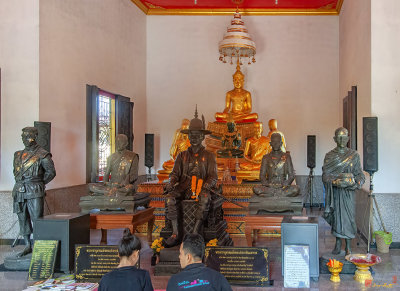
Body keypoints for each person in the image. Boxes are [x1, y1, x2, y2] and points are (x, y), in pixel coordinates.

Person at [164, 107, 218, 246]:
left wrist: (206, 186)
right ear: (188, 136)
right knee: (170, 198)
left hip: (202, 188)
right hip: (184, 187)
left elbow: (213, 176)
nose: (194, 138)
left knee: (205, 198)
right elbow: (174, 174)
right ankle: (176, 233)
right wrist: (171, 181)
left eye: (197, 135)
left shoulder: (209, 156)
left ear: (202, 137)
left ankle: (195, 232)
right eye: (192, 135)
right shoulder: (182, 155)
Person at [12, 127, 56, 257]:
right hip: (20, 190)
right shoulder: (17, 154)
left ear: (35, 137)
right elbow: (15, 172)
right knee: (22, 217)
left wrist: (40, 183)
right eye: (23, 137)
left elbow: (51, 173)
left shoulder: (43, 155)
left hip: (35, 189)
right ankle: (27, 245)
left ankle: (38, 244)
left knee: (37, 218)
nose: (25, 139)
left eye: (28, 137)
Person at [323, 127, 365, 255]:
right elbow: (325, 175)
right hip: (335, 193)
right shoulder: (330, 156)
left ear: (348, 138)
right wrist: (334, 182)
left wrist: (356, 182)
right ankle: (338, 244)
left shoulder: (354, 155)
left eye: (344, 137)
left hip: (348, 194)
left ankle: (348, 246)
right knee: (337, 218)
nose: (342, 139)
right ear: (334, 139)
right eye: (339, 137)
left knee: (349, 219)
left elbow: (359, 174)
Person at [166, 234, 232, 291]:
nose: (179, 257)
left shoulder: (174, 281)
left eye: (180, 253)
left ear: (188, 257)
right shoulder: (218, 278)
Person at [253, 133, 299, 197]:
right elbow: (262, 176)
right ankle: (278, 194)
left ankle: (272, 194)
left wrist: (285, 184)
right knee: (255, 188)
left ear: (281, 143)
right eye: (274, 142)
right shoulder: (266, 157)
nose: (275, 144)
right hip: (270, 186)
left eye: (277, 142)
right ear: (270, 143)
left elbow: (291, 175)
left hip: (282, 187)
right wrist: (268, 184)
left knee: (296, 189)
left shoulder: (286, 156)